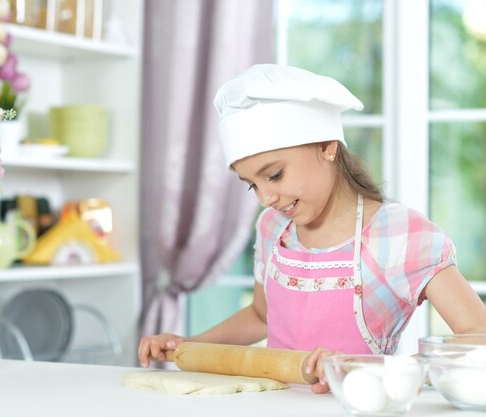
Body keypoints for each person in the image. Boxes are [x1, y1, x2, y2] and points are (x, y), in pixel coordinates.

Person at [138, 64, 486, 393]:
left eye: (274, 175)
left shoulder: (402, 236)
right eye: (251, 185)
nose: (265, 197)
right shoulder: (273, 227)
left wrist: (386, 372)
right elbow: (262, 315)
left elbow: (478, 334)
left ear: (327, 147)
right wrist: (190, 344)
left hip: (357, 406)